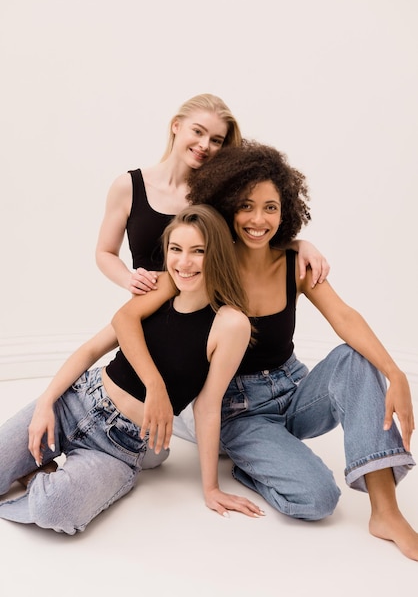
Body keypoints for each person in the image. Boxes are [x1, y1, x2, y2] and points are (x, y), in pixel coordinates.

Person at [113, 141, 418, 560]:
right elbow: (130, 314)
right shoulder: (206, 264)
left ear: (286, 211)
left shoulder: (295, 263)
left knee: (355, 356)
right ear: (226, 209)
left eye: (271, 208)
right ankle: (249, 462)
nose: (259, 220)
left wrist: (396, 373)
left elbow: (344, 317)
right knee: (317, 501)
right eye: (246, 206)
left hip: (295, 390)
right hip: (240, 411)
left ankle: (385, 511)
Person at [0, 205, 264, 534]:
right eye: (176, 250)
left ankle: (40, 476)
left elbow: (208, 407)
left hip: (118, 445)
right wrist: (45, 404)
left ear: (218, 255)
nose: (184, 263)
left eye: (199, 251)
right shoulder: (163, 287)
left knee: (54, 509)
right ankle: (35, 470)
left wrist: (210, 488)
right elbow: (93, 348)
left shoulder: (230, 324)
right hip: (76, 401)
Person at [95, 93, 329, 295]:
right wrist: (128, 279)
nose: (204, 145)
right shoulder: (128, 186)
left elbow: (250, 240)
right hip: (145, 308)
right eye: (198, 131)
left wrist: (299, 244)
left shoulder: (219, 195)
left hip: (208, 317)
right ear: (176, 125)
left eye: (216, 140)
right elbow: (105, 252)